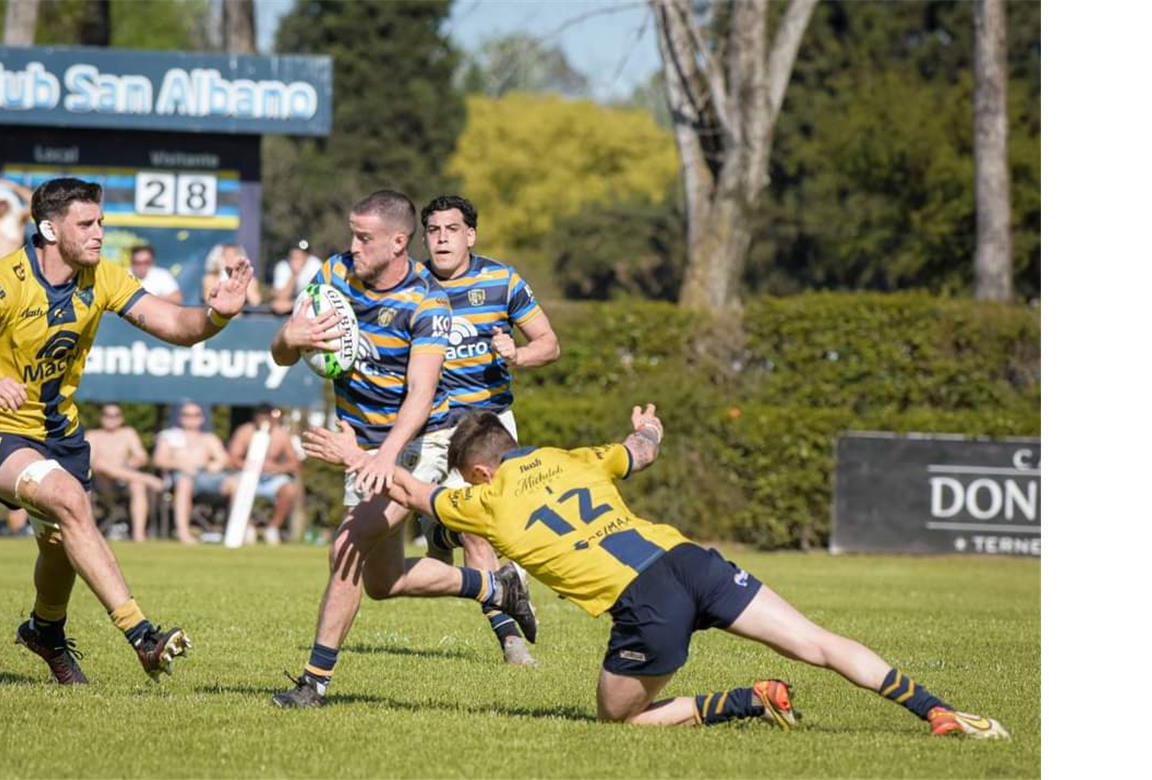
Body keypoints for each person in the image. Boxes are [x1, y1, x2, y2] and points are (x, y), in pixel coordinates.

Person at [303, 408, 1010, 739]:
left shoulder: (485, 499)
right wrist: (651, 430)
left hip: (646, 605)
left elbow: (411, 492)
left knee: (621, 718)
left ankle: (745, 702)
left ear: (481, 469)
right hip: (690, 559)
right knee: (816, 641)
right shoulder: (575, 457)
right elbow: (639, 449)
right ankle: (939, 712)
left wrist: (352, 454)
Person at [0, 177, 254, 685]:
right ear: (49, 229)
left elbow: (173, 325)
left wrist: (216, 316)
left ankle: (45, 631)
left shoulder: (102, 276)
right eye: (87, 224)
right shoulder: (5, 280)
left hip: (59, 436)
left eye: (101, 221)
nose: (99, 233)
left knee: (60, 541)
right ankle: (141, 635)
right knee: (68, 501)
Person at [267, 189, 537, 709]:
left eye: (364, 238)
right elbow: (283, 356)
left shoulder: (426, 302)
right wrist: (289, 335)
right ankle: (495, 589)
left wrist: (386, 457)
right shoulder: (333, 275)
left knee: (349, 542)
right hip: (362, 442)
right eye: (351, 233)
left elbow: (421, 393)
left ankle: (313, 684)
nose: (353, 246)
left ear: (397, 242)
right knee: (383, 582)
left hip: (420, 442)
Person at [417, 194, 562, 666]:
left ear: (470, 236)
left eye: (451, 230)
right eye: (434, 231)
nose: (441, 239)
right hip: (435, 425)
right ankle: (510, 642)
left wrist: (517, 354)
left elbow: (549, 344)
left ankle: (443, 537)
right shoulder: (412, 284)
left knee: (507, 540)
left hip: (494, 426)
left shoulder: (502, 280)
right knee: (475, 527)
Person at [152, 401, 238, 545]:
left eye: (195, 415)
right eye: (187, 415)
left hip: (206, 477)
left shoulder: (209, 438)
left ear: (202, 418)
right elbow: (159, 460)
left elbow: (224, 459)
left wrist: (215, 464)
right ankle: (183, 532)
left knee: (235, 483)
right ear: (180, 417)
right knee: (184, 482)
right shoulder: (170, 437)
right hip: (180, 477)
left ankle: (236, 531)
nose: (191, 418)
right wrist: (180, 464)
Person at [85, 403, 164, 542]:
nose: (111, 418)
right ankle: (146, 478)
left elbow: (142, 456)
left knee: (137, 485)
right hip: (101, 484)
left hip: (123, 483)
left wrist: (134, 461)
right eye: (107, 415)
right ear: (101, 417)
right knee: (103, 465)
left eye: (115, 415)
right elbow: (93, 464)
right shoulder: (93, 435)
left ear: (121, 418)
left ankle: (139, 535)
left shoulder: (128, 433)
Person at [227, 404, 302, 544]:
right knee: (233, 486)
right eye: (261, 414)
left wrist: (275, 468)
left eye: (267, 415)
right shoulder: (245, 431)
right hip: (247, 476)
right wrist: (248, 465)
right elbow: (232, 458)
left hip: (271, 478)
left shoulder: (281, 435)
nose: (264, 418)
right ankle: (246, 527)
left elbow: (294, 464)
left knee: (289, 490)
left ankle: (273, 528)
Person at [269, 239, 322, 315]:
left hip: (311, 306)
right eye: (293, 256)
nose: (297, 259)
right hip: (291, 308)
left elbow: (319, 295)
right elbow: (280, 298)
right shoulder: (283, 266)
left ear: (307, 256)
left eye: (301, 255)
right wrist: (294, 274)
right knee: (277, 305)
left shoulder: (315, 265)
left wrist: (296, 304)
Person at [203, 244, 263, 309]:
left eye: (234, 255)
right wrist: (223, 274)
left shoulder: (250, 279)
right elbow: (208, 300)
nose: (230, 259)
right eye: (226, 256)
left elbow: (255, 302)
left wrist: (243, 283)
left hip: (240, 318)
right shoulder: (210, 278)